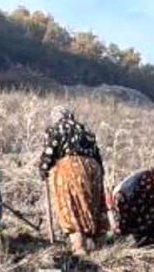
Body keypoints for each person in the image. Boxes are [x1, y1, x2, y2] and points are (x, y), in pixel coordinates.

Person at [39, 107, 108, 256]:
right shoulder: (86, 131)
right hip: (93, 169)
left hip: (70, 169)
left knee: (71, 207)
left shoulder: (56, 129)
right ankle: (100, 247)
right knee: (92, 205)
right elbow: (98, 156)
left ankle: (79, 247)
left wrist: (43, 170)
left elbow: (49, 153)